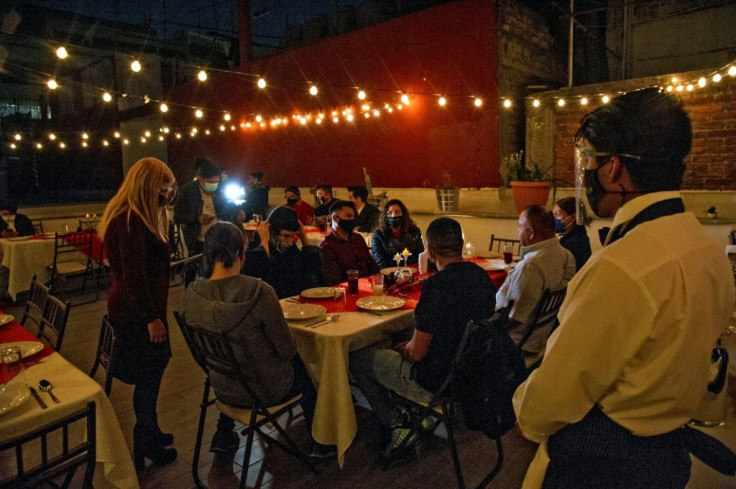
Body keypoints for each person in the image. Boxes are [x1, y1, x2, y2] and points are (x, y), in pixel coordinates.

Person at [513, 88, 735, 489]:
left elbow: (555, 394)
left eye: (589, 163)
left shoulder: (620, 266)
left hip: (604, 466)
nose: (587, 176)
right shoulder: (709, 250)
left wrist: (524, 413)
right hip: (666, 460)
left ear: (613, 168)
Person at [179, 222, 333, 458]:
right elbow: (287, 350)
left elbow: (200, 355)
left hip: (223, 387)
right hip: (267, 389)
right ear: (242, 252)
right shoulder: (258, 292)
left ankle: (223, 433)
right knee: (311, 368)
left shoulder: (191, 293)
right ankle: (322, 442)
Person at [351, 217, 495, 465]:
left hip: (438, 382)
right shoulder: (482, 277)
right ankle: (418, 413)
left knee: (357, 357)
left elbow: (416, 354)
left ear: (429, 249)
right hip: (473, 374)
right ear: (460, 244)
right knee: (405, 334)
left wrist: (406, 350)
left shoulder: (436, 287)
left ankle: (397, 423)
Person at [97, 157, 177, 470]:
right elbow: (135, 276)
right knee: (149, 376)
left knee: (153, 371)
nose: (167, 194)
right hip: (138, 311)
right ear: (148, 186)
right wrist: (151, 319)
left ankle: (150, 430)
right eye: (164, 187)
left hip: (136, 306)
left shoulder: (132, 216)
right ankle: (145, 441)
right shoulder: (131, 220)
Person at [495, 205, 575, 354]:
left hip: (516, 344)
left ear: (530, 232)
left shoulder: (531, 266)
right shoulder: (566, 256)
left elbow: (514, 319)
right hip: (542, 336)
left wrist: (487, 326)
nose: (518, 231)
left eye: (519, 227)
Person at [174, 158, 234, 285]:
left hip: (218, 237)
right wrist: (197, 218)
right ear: (200, 179)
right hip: (197, 239)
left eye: (216, 182)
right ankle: (190, 294)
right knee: (195, 269)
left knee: (215, 271)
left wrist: (237, 213)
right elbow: (178, 216)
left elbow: (228, 210)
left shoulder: (221, 189)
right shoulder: (187, 191)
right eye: (210, 182)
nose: (214, 185)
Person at [243, 206, 322, 298]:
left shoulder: (289, 249)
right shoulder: (254, 252)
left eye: (293, 236)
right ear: (271, 231)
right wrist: (264, 244)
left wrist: (304, 239)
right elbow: (268, 285)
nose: (290, 242)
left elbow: (314, 276)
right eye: (286, 236)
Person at [320, 200, 379, 285]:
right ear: (335, 218)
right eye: (348, 216)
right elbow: (333, 280)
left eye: (353, 216)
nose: (352, 219)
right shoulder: (327, 245)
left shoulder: (358, 238)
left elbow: (372, 266)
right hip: (347, 289)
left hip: (368, 286)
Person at [371, 199, 424, 269]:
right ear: (385, 215)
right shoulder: (378, 235)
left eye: (397, 212)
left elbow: (420, 255)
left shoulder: (414, 231)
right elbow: (379, 259)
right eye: (390, 213)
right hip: (389, 272)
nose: (393, 216)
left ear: (403, 214)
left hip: (411, 270)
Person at [0, 201, 35, 305]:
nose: (5, 216)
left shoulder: (23, 219)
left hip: (23, 251)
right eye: (3, 214)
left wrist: (19, 233)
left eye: (8, 214)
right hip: (2, 252)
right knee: (4, 266)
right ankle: (2, 295)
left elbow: (32, 233)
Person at [553, 196, 592, 271]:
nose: (554, 218)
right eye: (553, 214)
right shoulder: (570, 236)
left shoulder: (577, 242)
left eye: (557, 214)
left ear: (573, 217)